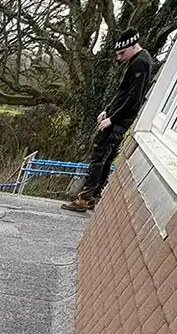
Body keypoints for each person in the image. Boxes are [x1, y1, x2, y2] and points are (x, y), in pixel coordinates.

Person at [62, 30, 153, 213]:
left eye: (122, 53)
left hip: (119, 121)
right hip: (116, 117)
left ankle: (86, 197)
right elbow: (123, 93)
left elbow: (133, 99)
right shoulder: (137, 60)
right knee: (105, 158)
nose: (120, 58)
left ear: (134, 45)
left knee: (99, 155)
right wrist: (107, 110)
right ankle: (94, 195)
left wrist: (113, 119)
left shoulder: (140, 64)